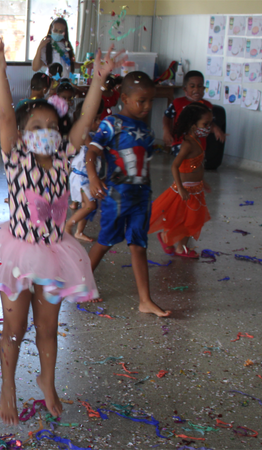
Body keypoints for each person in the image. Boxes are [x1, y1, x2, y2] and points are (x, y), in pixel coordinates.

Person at [0, 38, 103, 424]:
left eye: (52, 126)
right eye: (37, 126)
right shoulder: (16, 157)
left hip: (54, 254)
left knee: (49, 329)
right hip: (17, 252)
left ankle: (47, 380)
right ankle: (8, 386)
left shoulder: (65, 158)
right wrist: (0, 70)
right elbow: (4, 115)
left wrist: (98, 81)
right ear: (21, 133)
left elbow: (84, 121)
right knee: (14, 329)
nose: (47, 131)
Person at [85, 71, 172, 317]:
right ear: (124, 97)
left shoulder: (145, 129)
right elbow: (92, 152)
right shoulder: (112, 124)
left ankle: (145, 300)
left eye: (150, 101)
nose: (147, 106)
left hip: (142, 198)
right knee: (104, 242)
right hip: (117, 198)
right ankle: (81, 285)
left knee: (139, 246)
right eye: (141, 101)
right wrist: (93, 177)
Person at [149, 103, 212, 258]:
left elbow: (196, 167)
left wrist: (203, 181)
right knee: (186, 220)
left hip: (196, 188)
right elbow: (174, 166)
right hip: (185, 190)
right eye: (205, 124)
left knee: (191, 220)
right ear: (193, 124)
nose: (208, 128)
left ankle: (172, 242)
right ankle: (176, 245)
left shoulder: (197, 141)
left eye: (210, 124)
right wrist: (182, 189)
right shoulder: (188, 144)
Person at [162, 70, 225, 154]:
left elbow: (209, 123)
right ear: (185, 89)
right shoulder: (177, 102)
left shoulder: (207, 105)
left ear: (203, 89)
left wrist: (216, 129)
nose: (196, 89)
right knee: (184, 164)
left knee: (197, 165)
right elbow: (167, 117)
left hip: (200, 144)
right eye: (192, 86)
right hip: (180, 142)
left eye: (199, 86)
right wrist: (166, 131)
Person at [66, 101, 102, 242]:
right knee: (90, 205)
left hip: (85, 175)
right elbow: (94, 149)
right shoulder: (85, 133)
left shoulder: (90, 132)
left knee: (86, 206)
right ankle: (69, 225)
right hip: (81, 177)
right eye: (96, 119)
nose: (99, 122)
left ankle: (79, 232)